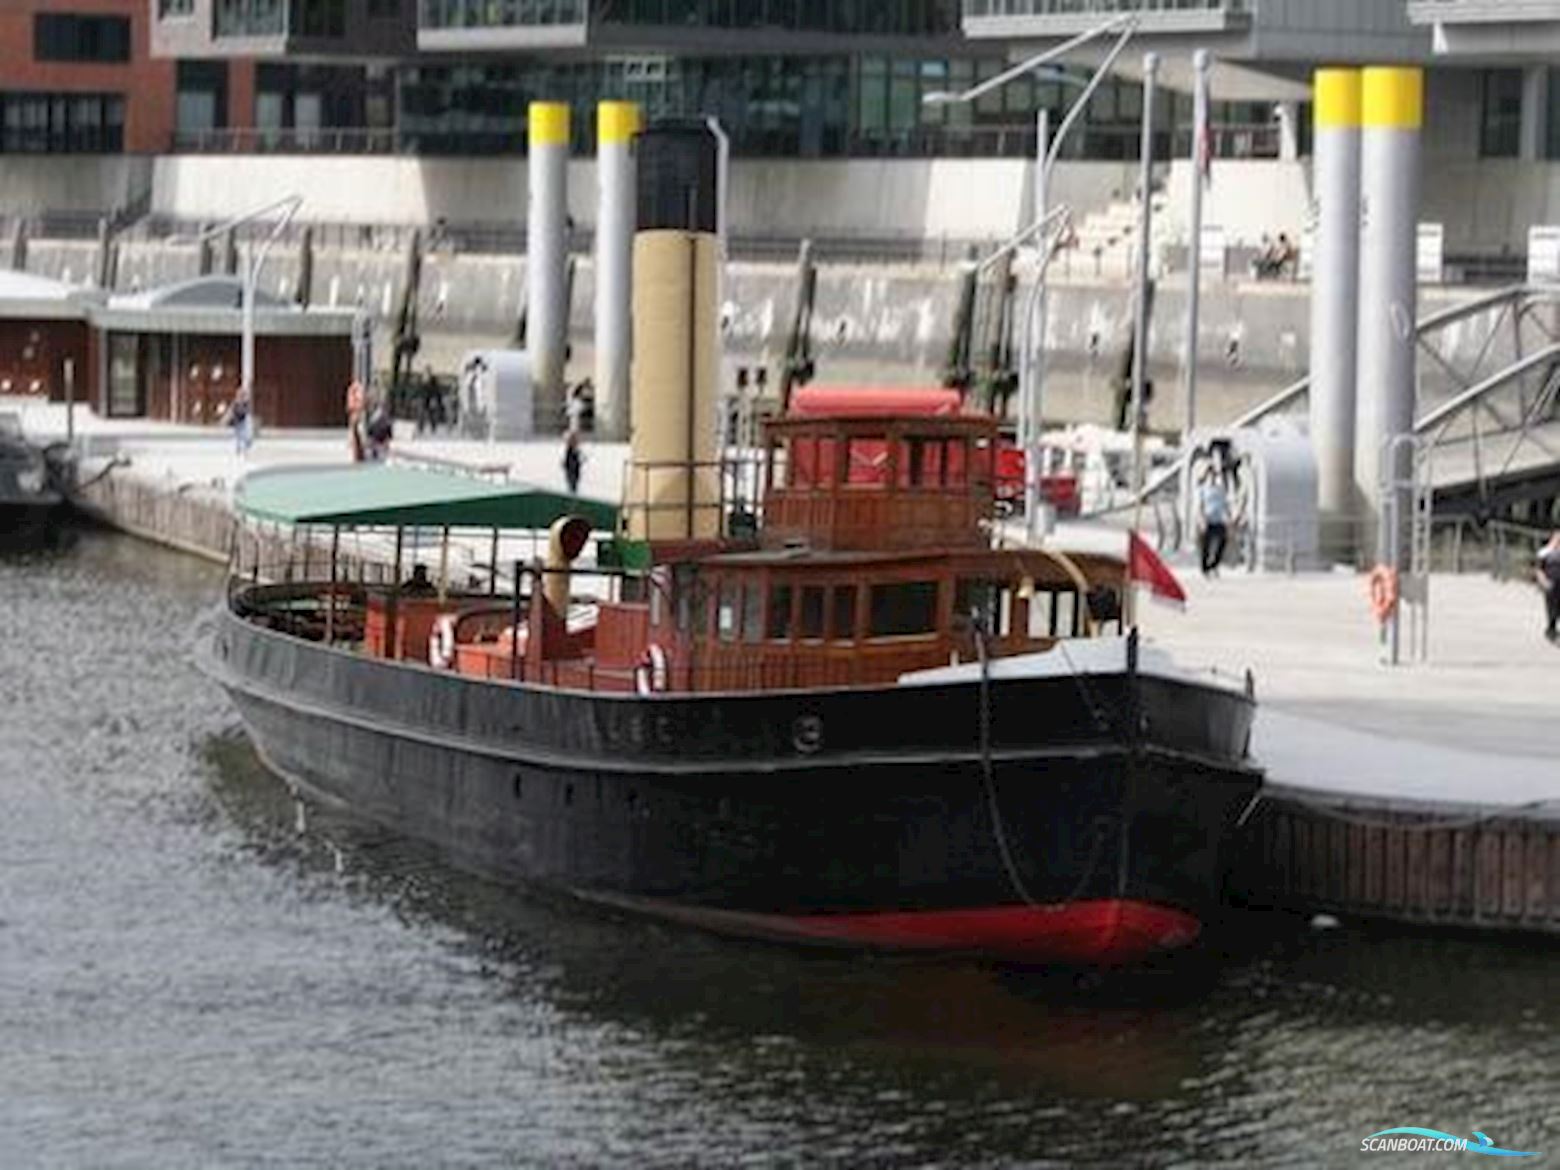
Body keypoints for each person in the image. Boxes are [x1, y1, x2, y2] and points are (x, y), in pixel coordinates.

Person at [1198, 470, 1231, 576]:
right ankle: (1205, 568)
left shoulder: (1220, 490)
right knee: (1206, 546)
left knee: (1223, 542)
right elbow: (1200, 505)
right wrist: (1201, 519)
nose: (1212, 479)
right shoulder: (1202, 489)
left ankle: (1214, 564)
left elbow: (1225, 505)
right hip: (1207, 519)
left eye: (1213, 476)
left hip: (1219, 519)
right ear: (1206, 477)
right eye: (1210, 476)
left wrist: (1228, 517)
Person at [1536, 531, 1560, 643]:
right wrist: (1543, 581)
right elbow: (1539, 569)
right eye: (1557, 539)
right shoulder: (1544, 553)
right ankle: (1551, 629)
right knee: (1552, 607)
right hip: (1551, 583)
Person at [226, 390, 254, 458]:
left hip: (244, 421)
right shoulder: (235, 403)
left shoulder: (246, 403)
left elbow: (247, 413)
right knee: (239, 436)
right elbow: (231, 411)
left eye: (242, 395)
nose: (241, 397)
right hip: (238, 422)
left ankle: (245, 450)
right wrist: (227, 419)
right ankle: (239, 450)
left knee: (246, 436)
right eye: (240, 395)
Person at [562, 428, 583, 495]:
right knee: (572, 489)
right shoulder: (570, 450)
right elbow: (571, 463)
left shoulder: (574, 450)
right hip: (572, 473)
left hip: (573, 473)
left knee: (573, 488)